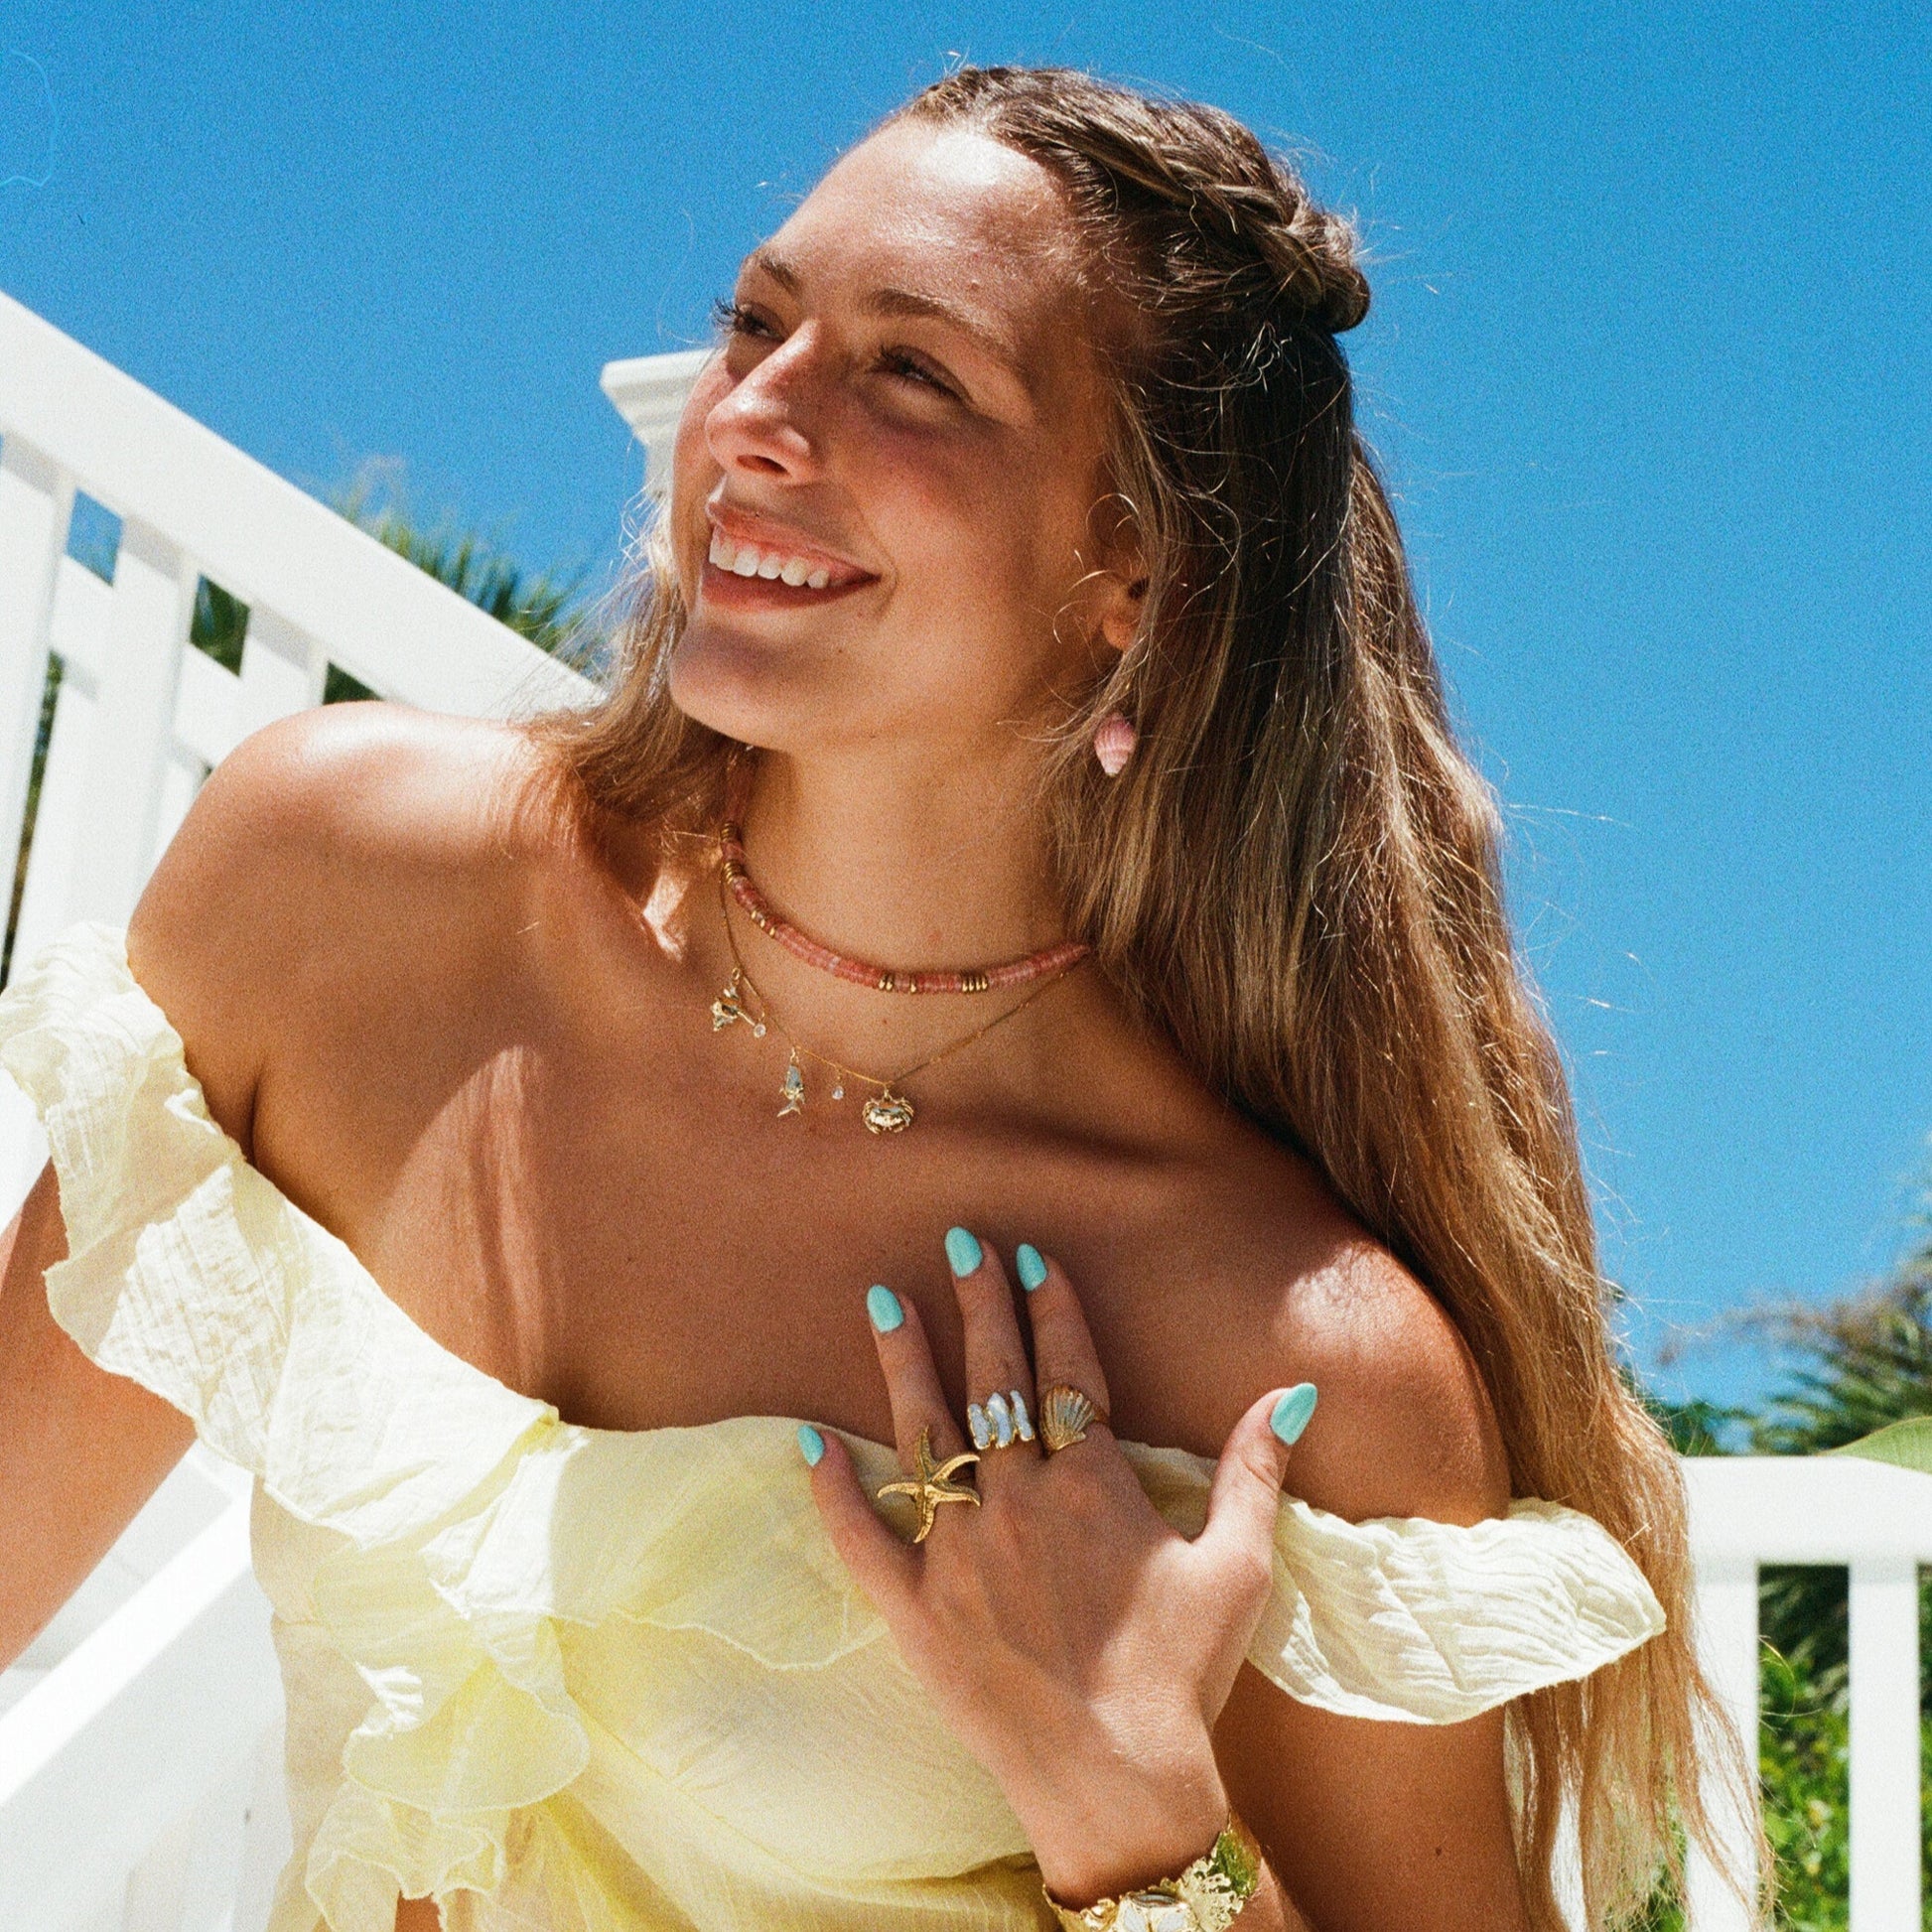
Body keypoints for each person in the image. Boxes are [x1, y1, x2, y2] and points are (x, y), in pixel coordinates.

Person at [0, 65, 1750, 1932]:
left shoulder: (1282, 1349)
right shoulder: (343, 890)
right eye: (756, 323)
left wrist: (1136, 1818)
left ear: (1137, 569)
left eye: (913, 372)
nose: (753, 415)